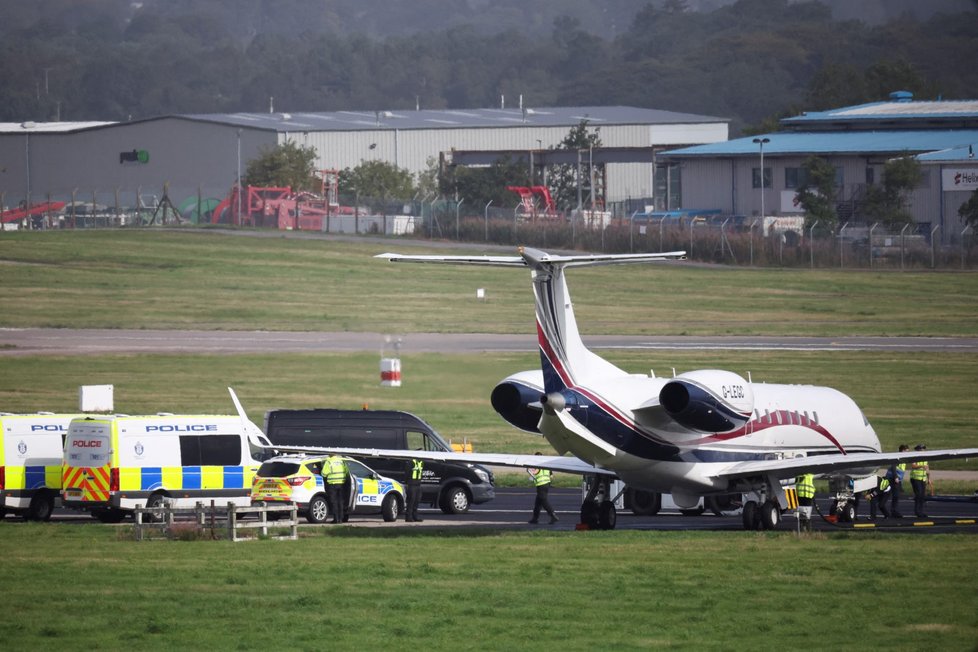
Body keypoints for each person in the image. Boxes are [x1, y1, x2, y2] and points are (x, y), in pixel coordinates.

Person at [527, 453, 558, 524]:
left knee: (544, 501)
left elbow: (534, 473)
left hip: (541, 485)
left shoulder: (537, 465)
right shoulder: (547, 465)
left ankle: (553, 515)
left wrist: (531, 471)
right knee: (538, 503)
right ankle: (535, 519)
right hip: (547, 484)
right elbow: (551, 476)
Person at [322, 454, 349, 524]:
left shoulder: (329, 462)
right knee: (340, 502)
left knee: (334, 502)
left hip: (332, 484)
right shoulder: (341, 461)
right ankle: (341, 519)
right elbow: (346, 472)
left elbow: (324, 474)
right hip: (341, 484)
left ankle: (336, 519)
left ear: (330, 455)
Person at [885, 444, 909, 518]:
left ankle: (893, 511)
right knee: (890, 495)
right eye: (907, 451)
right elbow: (893, 467)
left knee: (896, 496)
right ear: (903, 450)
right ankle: (891, 511)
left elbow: (901, 471)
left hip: (897, 480)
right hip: (892, 478)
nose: (908, 453)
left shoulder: (903, 458)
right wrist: (895, 477)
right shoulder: (898, 457)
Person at [910, 444, 930, 518]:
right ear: (918, 450)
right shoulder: (915, 457)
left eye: (923, 449)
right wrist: (921, 466)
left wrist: (929, 478)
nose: (923, 450)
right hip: (915, 478)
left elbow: (927, 468)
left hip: (922, 479)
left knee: (922, 496)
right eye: (921, 449)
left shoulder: (925, 458)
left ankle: (920, 511)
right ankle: (917, 511)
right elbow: (913, 466)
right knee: (918, 495)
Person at [405, 457, 424, 522]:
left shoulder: (421, 462)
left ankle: (415, 516)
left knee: (417, 501)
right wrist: (407, 482)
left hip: (418, 484)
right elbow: (407, 472)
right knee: (411, 501)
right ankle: (408, 517)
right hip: (412, 484)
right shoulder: (411, 462)